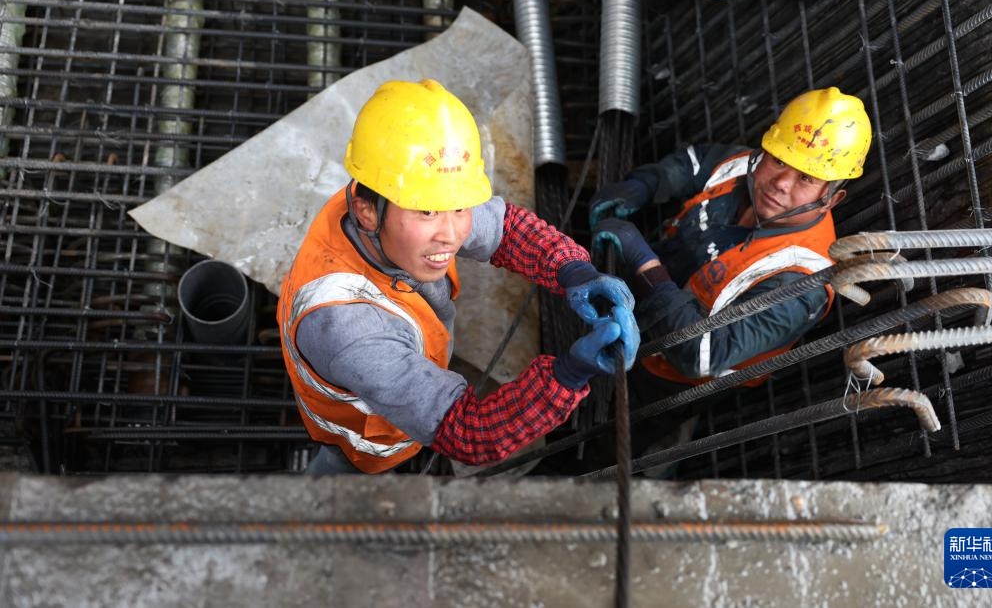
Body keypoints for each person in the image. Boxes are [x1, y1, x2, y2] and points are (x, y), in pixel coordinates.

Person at [277, 78, 640, 475]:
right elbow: (471, 431)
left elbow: (506, 229)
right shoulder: (349, 328)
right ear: (368, 211)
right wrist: (569, 374)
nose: (452, 235)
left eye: (458, 208)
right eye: (427, 212)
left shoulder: (384, 193)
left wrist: (573, 271)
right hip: (368, 446)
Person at [590, 87, 871, 389]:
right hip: (634, 294)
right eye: (778, 161)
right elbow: (693, 163)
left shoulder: (801, 285)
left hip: (663, 375)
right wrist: (645, 184)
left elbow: (700, 355)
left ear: (832, 199)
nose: (780, 184)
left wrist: (643, 263)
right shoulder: (745, 166)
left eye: (806, 178)